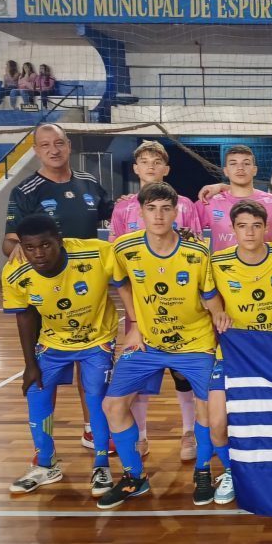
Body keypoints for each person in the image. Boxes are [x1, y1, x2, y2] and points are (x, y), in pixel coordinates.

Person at [100, 182, 224, 509]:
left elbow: (211, 297)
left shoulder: (196, 252)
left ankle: (202, 471)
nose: (158, 215)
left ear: (176, 211)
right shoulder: (125, 248)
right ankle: (133, 476)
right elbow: (120, 283)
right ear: (140, 212)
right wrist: (136, 324)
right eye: (151, 208)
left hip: (195, 342)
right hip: (149, 343)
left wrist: (222, 327)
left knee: (206, 410)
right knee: (112, 406)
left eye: (165, 208)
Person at [3, 123, 114, 451]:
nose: (54, 149)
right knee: (43, 368)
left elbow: (115, 216)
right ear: (36, 150)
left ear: (69, 146)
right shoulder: (25, 191)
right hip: (48, 295)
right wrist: (25, 255)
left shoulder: (90, 183)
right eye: (45, 145)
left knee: (91, 363)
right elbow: (10, 242)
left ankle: (91, 428)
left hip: (87, 286)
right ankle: (43, 450)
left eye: (59, 143)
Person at [3, 215, 124, 497]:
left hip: (97, 339)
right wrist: (29, 364)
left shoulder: (95, 251)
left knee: (95, 397)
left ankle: (101, 465)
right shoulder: (15, 272)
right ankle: (46, 464)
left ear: (59, 240)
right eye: (30, 247)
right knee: (36, 393)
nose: (38, 253)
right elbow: (24, 317)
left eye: (45, 245)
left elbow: (131, 256)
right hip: (52, 342)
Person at [109, 140, 203, 461]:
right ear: (135, 168)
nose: (150, 166)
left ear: (166, 169)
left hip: (182, 308)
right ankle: (141, 435)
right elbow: (117, 264)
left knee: (183, 377)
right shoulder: (122, 208)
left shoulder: (186, 206)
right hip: (140, 309)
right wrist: (131, 319)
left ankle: (189, 432)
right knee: (140, 376)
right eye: (144, 161)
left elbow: (197, 250)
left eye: (157, 161)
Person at [208, 199, 272, 503]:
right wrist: (218, 310)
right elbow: (206, 295)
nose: (250, 232)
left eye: (257, 226)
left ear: (267, 229)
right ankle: (232, 470)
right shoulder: (217, 262)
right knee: (217, 424)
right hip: (235, 354)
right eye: (242, 226)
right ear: (232, 229)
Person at [195, 145, 272, 252]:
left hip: (265, 267)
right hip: (223, 268)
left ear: (255, 170)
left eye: (246, 163)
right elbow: (186, 232)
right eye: (233, 163)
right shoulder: (209, 202)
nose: (240, 168)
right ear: (225, 171)